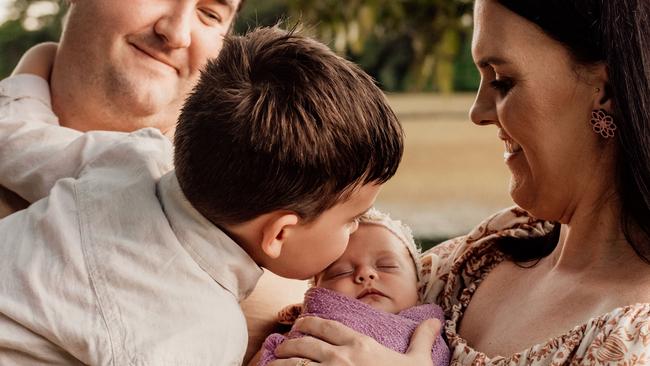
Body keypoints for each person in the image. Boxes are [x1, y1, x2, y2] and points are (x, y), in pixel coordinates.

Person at [266, 0, 650, 365]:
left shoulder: (635, 338)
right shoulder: (484, 252)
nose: (477, 112)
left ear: (608, 91)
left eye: (501, 80)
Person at [0, 26, 404, 364]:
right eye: (351, 219)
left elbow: (12, 137)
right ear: (279, 234)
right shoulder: (201, 330)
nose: (356, 231)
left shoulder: (134, 156)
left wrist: (41, 57)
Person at [256, 209, 449, 366]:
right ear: (317, 292)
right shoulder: (299, 334)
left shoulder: (428, 332)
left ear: (420, 286)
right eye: (341, 272)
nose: (365, 273)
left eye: (386, 266)